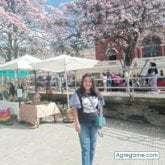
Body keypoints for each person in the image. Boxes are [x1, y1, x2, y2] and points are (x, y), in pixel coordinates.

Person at [69, 73, 105, 165]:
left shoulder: (96, 93)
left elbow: (100, 108)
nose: (87, 83)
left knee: (92, 147)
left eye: (89, 81)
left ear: (92, 83)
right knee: (85, 148)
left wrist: (100, 120)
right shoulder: (78, 93)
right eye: (85, 81)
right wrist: (76, 123)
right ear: (82, 82)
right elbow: (74, 110)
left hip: (95, 124)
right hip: (83, 124)